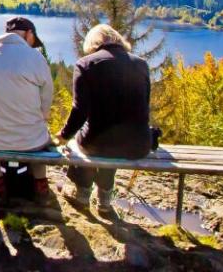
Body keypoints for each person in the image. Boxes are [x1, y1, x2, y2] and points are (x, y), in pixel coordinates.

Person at [57, 24, 152, 216]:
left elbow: (79, 110)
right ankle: (105, 200)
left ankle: (82, 193)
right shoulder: (141, 64)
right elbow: (145, 105)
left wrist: (64, 135)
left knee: (86, 141)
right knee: (116, 137)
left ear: (93, 44)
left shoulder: (85, 65)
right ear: (117, 40)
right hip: (138, 145)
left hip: (98, 143)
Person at [0, 17, 53, 205]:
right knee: (42, 136)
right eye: (33, 39)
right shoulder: (36, 58)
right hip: (31, 140)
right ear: (29, 34)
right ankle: (40, 182)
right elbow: (46, 102)